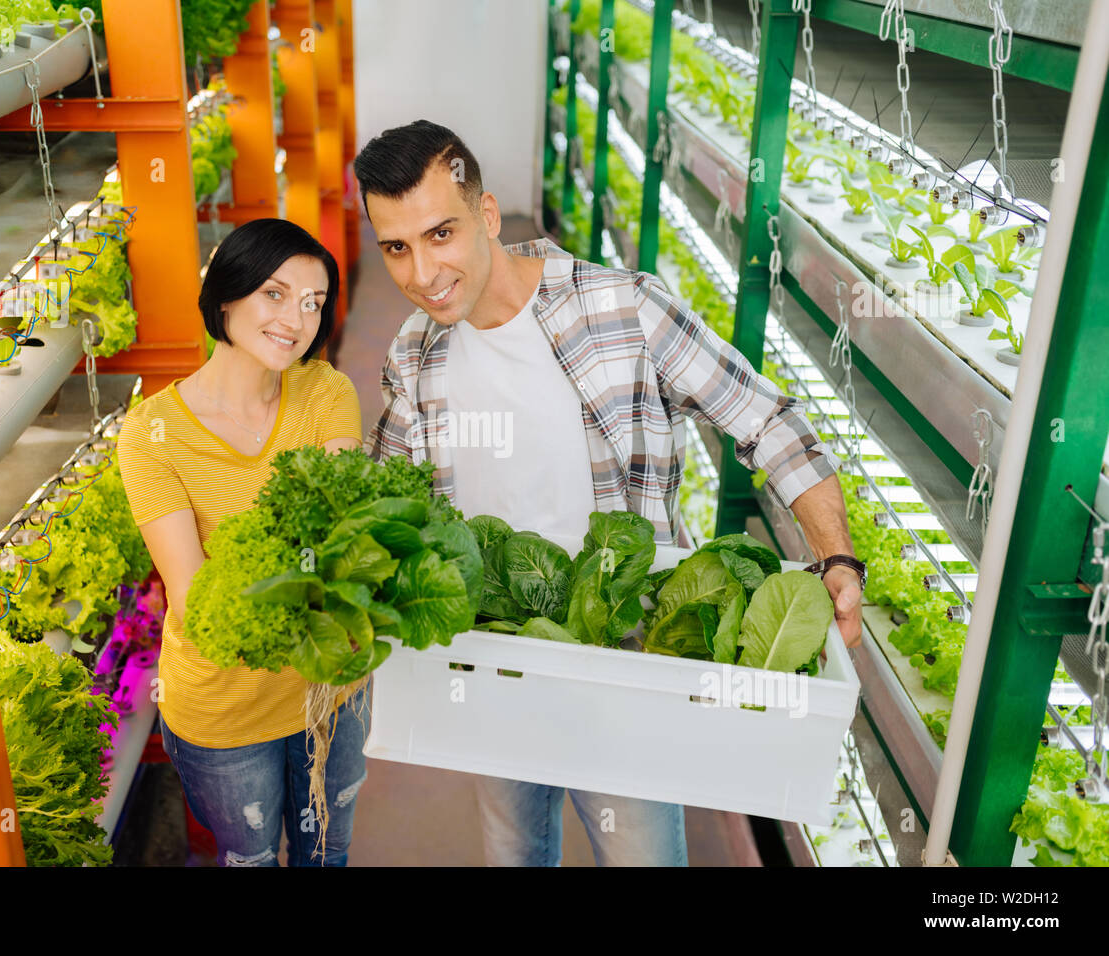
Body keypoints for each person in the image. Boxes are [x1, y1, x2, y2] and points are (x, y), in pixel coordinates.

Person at [355, 120, 865, 867]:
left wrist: (837, 560)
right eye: (396, 248)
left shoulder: (621, 309)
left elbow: (769, 423)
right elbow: (392, 500)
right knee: (513, 850)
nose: (423, 272)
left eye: (441, 234)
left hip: (622, 657)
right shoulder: (414, 351)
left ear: (487, 215)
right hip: (496, 654)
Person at [116, 218, 368, 867]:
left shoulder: (325, 393)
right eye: (275, 294)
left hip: (329, 688)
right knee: (246, 858)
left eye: (314, 303)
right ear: (227, 295)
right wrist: (306, 579)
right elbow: (197, 592)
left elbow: (340, 537)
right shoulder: (152, 435)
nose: (298, 318)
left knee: (326, 854)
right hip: (223, 707)